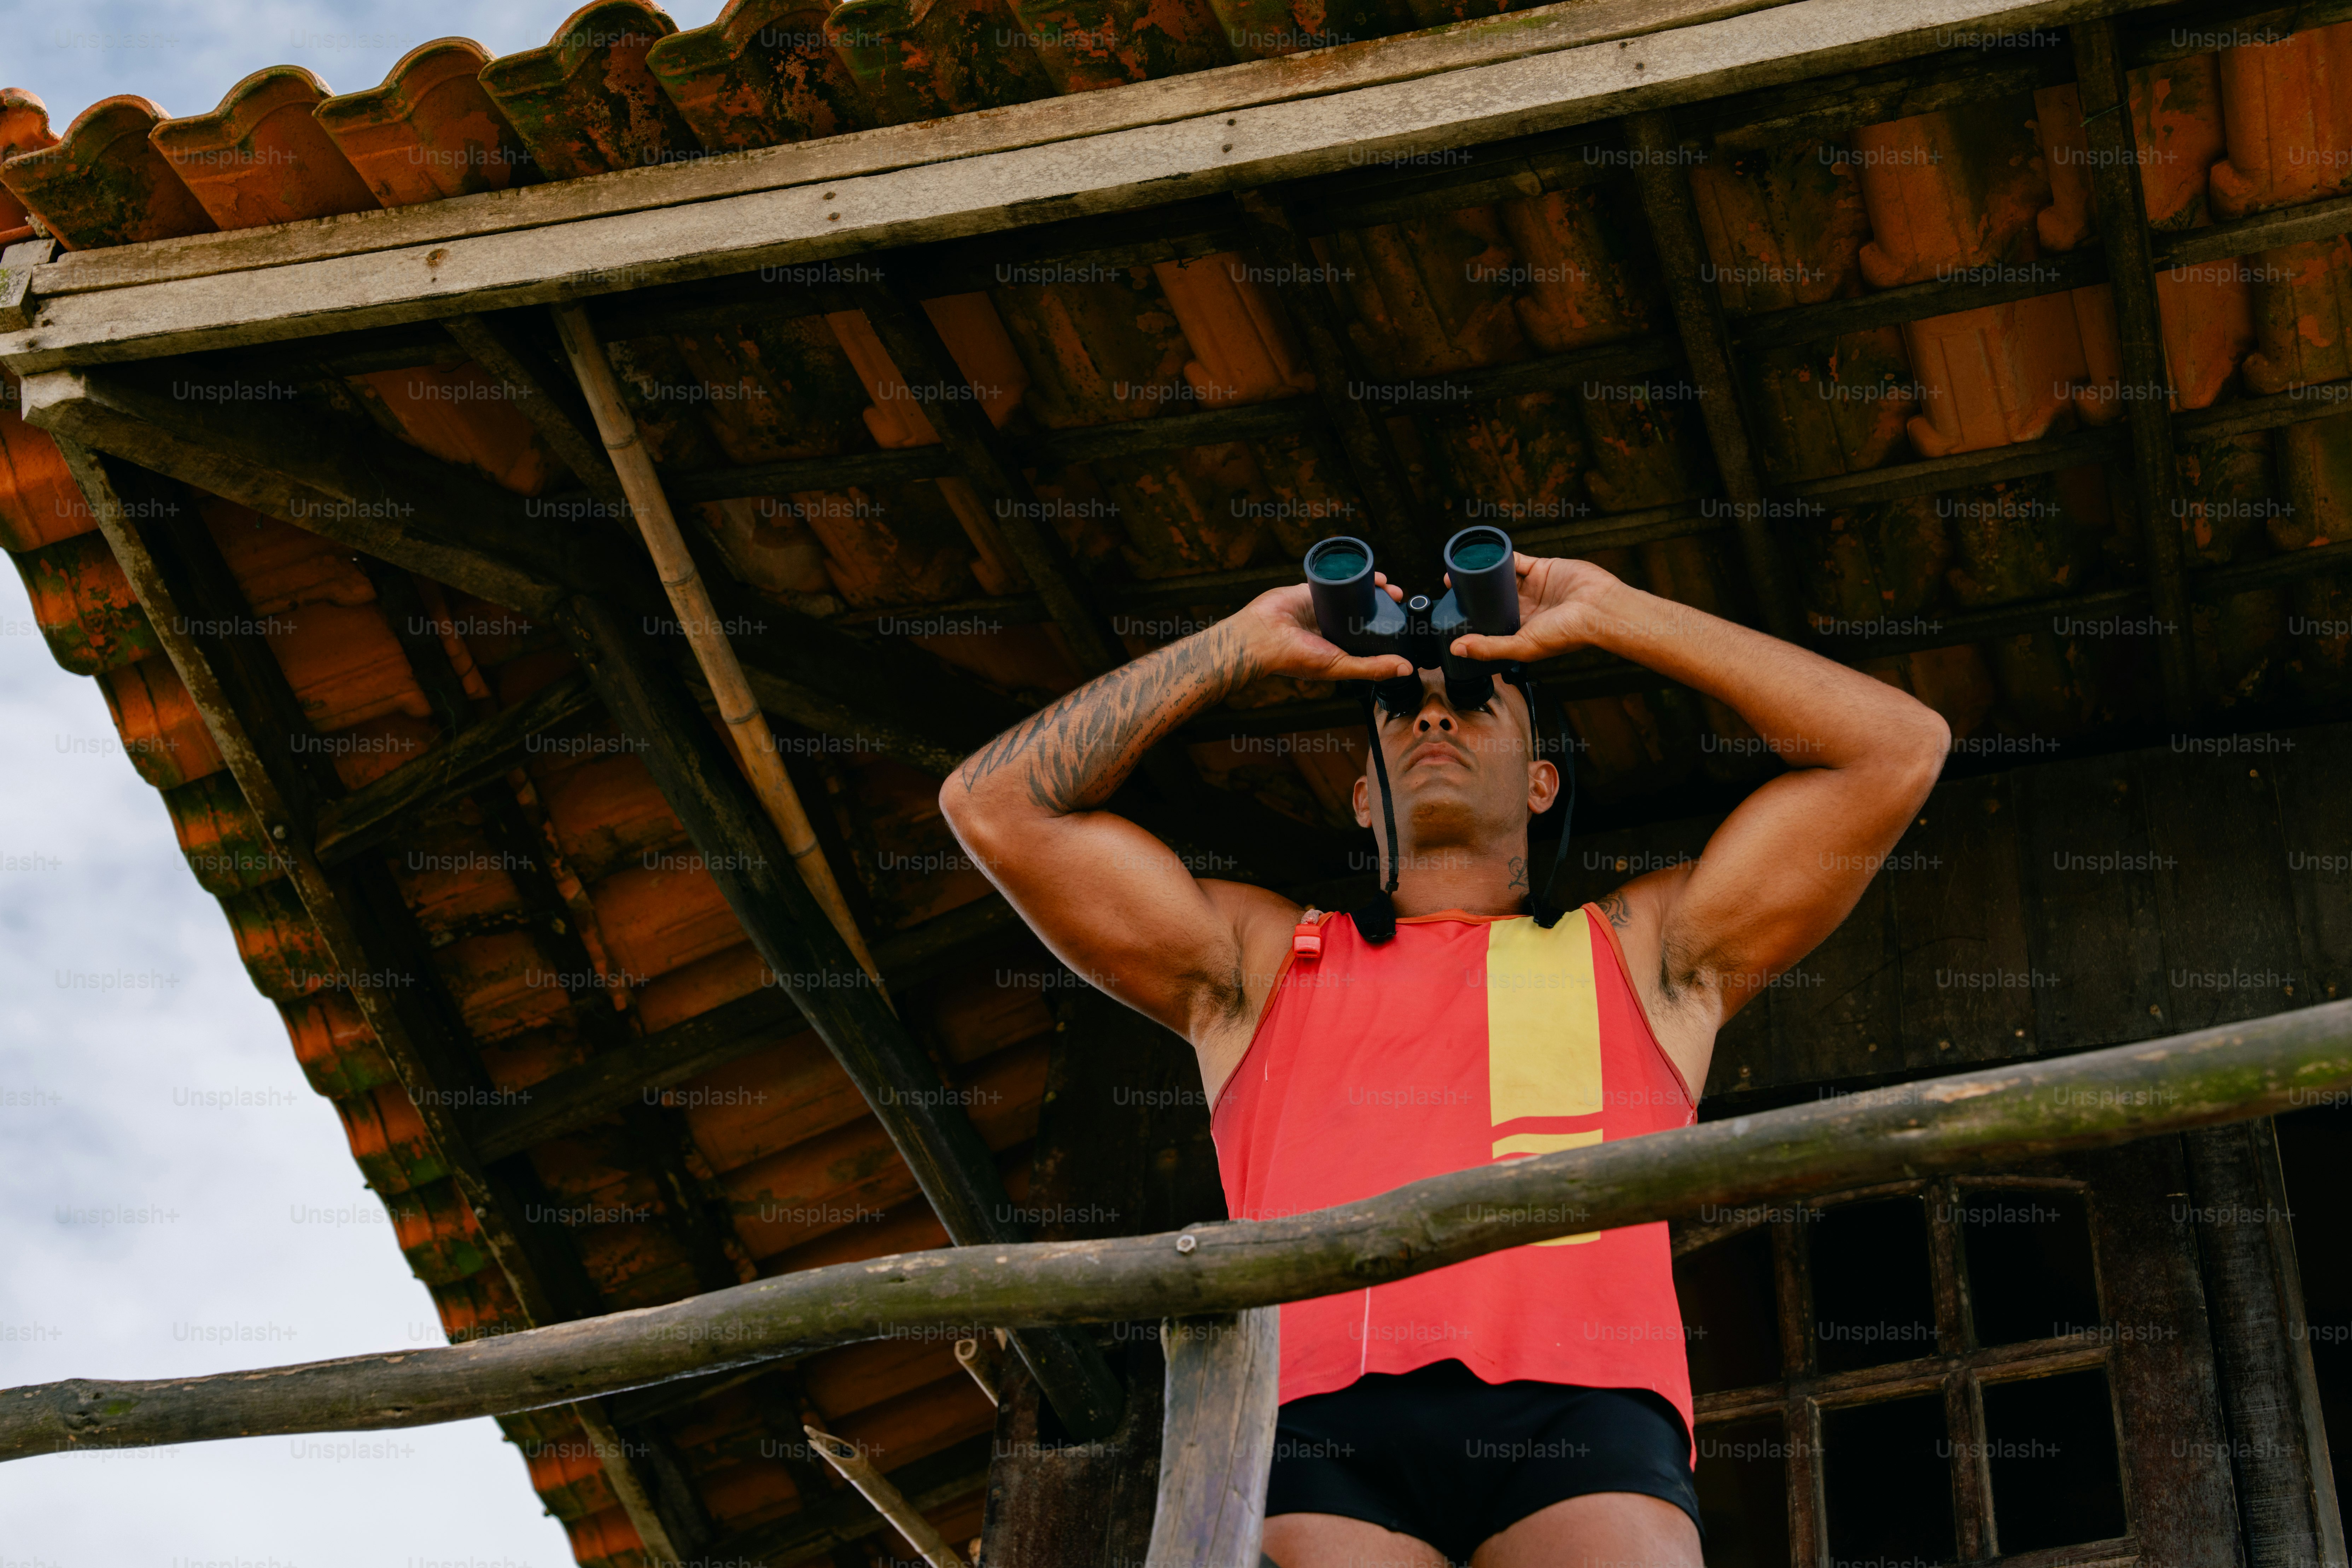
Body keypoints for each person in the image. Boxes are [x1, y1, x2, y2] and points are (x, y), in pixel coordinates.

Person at [939, 550, 1950, 1568]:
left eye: (1475, 702)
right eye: (1400, 709)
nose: (1433, 718)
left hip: (1584, 1406)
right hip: (1317, 1411)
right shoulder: (1260, 963)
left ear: (1545, 780)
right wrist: (1235, 646)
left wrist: (1615, 613)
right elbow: (995, 807)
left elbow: (1898, 748)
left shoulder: (1643, 952)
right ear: (1363, 799)